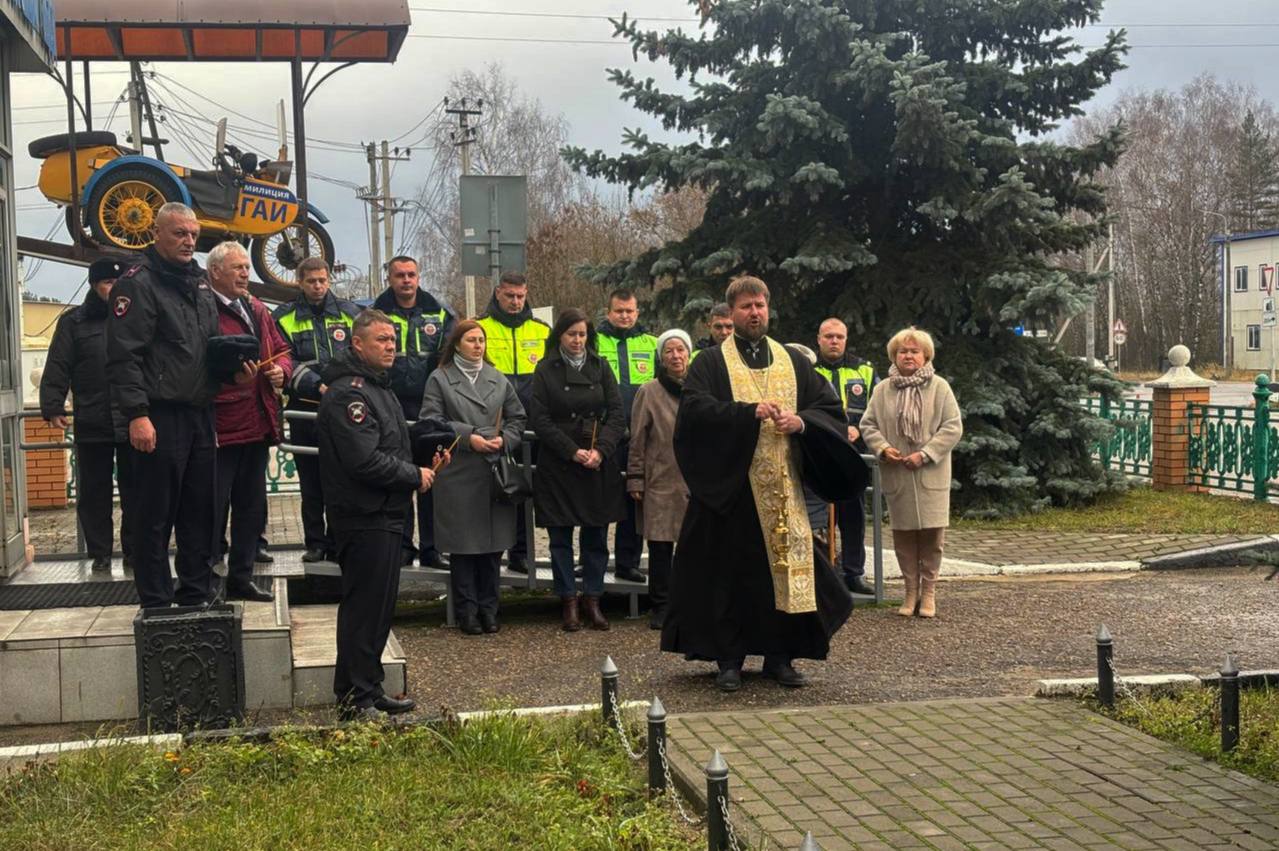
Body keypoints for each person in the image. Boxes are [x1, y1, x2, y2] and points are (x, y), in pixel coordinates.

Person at [661, 275, 869, 692]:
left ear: (768, 308)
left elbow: (828, 408)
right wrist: (746, 414)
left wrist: (801, 422)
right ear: (731, 313)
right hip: (731, 493)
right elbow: (695, 413)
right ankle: (729, 660)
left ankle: (780, 657)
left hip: (785, 493)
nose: (754, 313)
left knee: (785, 576)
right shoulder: (710, 362)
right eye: (745, 307)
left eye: (760, 305)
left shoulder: (792, 360)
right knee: (729, 578)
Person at [317, 309, 451, 721]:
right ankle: (354, 698)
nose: (391, 346)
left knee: (378, 609)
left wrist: (425, 450)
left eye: (393, 340)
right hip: (363, 515)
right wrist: (414, 475)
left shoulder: (379, 387)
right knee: (363, 608)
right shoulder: (349, 395)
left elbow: (392, 442)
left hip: (387, 513)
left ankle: (369, 689)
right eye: (382, 340)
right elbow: (363, 460)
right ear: (357, 344)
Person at [105, 203, 220, 609]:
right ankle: (155, 600)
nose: (189, 241)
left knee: (200, 510)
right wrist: (137, 414)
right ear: (157, 234)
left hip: (200, 413)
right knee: (154, 514)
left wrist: (232, 372)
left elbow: (206, 347)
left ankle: (195, 593)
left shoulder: (200, 283)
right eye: (179, 233)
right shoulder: (137, 284)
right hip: (158, 415)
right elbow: (124, 356)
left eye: (194, 235)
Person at [420, 320, 526, 635]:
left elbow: (518, 416)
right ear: (456, 344)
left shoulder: (497, 377)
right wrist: (469, 437)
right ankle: (467, 611)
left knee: (493, 547)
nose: (478, 345)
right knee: (463, 547)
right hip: (458, 470)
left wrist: (506, 439)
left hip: (493, 470)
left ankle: (490, 610)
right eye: (471, 340)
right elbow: (431, 420)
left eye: (481, 340)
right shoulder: (440, 378)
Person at [528, 308, 626, 632]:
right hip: (560, 462)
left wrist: (601, 450)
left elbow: (617, 414)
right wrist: (571, 451)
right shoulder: (545, 369)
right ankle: (568, 600)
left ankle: (593, 599)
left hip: (596, 461)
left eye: (582, 334)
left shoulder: (601, 366)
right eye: (572, 334)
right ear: (560, 335)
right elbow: (539, 418)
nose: (577, 340)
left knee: (596, 536)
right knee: (560, 537)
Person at [206, 242, 292, 603]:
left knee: (251, 509)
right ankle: (206, 582)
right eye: (237, 268)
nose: (245, 273)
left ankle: (242, 578)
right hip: (221, 427)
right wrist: (231, 377)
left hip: (257, 424)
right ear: (215, 272)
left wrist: (281, 372)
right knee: (211, 509)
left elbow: (283, 350)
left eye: (246, 267)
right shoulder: (202, 308)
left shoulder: (257, 308)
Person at [40, 257, 135, 572]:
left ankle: (135, 551)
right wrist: (53, 405)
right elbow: (58, 363)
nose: (114, 288)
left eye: (119, 283)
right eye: (108, 283)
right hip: (92, 418)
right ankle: (100, 553)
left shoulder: (136, 316)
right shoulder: (74, 322)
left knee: (137, 490)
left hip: (133, 419)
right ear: (95, 286)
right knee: (94, 493)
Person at [859, 327, 963, 619]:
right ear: (894, 355)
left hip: (931, 473)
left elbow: (952, 426)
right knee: (903, 537)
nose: (908, 356)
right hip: (898, 474)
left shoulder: (939, 387)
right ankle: (909, 592)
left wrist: (926, 454)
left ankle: (928, 593)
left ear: (925, 356)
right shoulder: (883, 390)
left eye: (914, 351)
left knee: (932, 537)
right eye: (903, 351)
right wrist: (883, 448)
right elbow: (868, 424)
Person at [273, 257, 362, 564]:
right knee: (310, 483)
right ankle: (315, 543)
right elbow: (284, 359)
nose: (318, 286)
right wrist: (315, 385)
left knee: (341, 480)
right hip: (305, 408)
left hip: (343, 409)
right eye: (311, 281)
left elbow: (361, 352)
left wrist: (341, 386)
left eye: (323, 280)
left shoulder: (351, 313)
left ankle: (339, 542)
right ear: (300, 282)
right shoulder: (283, 317)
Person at [372, 255, 457, 569]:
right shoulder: (375, 314)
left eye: (411, 274)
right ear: (390, 279)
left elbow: (449, 356)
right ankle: (403, 546)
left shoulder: (440, 312)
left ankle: (433, 549)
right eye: (400, 275)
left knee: (432, 479)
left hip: (429, 406)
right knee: (400, 477)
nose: (406, 280)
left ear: (419, 277)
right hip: (389, 405)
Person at [476, 271, 550, 575]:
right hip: (494, 423)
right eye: (510, 295)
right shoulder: (481, 328)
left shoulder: (542, 330)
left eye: (520, 296)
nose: (516, 301)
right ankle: (491, 553)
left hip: (532, 423)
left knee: (524, 489)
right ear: (497, 293)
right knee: (494, 489)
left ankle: (521, 553)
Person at [627, 329, 692, 629]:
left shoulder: (700, 388)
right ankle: (662, 606)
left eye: (680, 350)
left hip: (694, 480)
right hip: (660, 479)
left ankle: (689, 603)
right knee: (660, 547)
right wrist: (635, 478)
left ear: (688, 354)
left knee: (692, 546)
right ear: (661, 357)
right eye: (669, 351)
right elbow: (637, 438)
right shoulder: (649, 391)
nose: (675, 356)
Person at [595, 289, 658, 583]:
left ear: (637, 313)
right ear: (608, 312)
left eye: (629, 311)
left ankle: (627, 563)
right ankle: (592, 560)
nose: (624, 316)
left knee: (635, 498)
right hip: (604, 435)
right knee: (598, 499)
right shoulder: (594, 342)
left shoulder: (651, 344)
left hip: (639, 436)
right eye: (619, 311)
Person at [812, 317, 878, 596]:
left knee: (853, 517)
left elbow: (876, 408)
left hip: (853, 456)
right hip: (820, 455)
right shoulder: (808, 370)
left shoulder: (864, 370)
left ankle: (853, 572)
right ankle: (825, 573)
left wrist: (858, 429)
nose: (834, 341)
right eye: (828, 336)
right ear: (819, 339)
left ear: (846, 339)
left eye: (839, 337)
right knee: (818, 517)